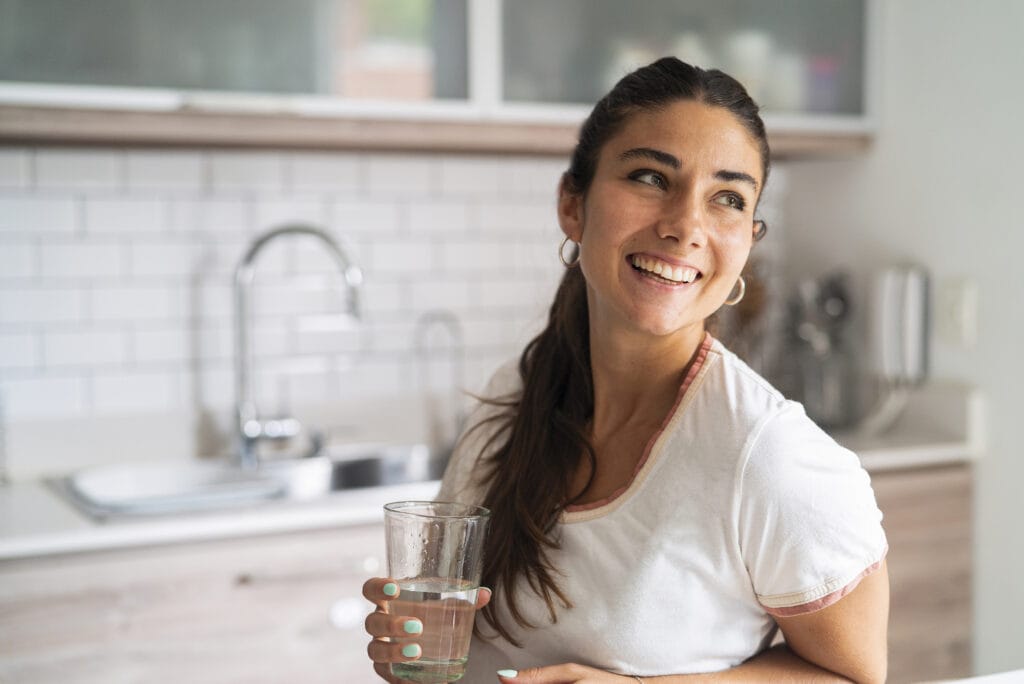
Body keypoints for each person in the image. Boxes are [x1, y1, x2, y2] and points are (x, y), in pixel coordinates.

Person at [363, 57, 889, 683]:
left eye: (727, 198)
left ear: (749, 238)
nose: (685, 226)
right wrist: (410, 649)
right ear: (572, 205)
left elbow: (855, 677)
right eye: (650, 177)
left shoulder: (769, 456)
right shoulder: (513, 397)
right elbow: (445, 645)